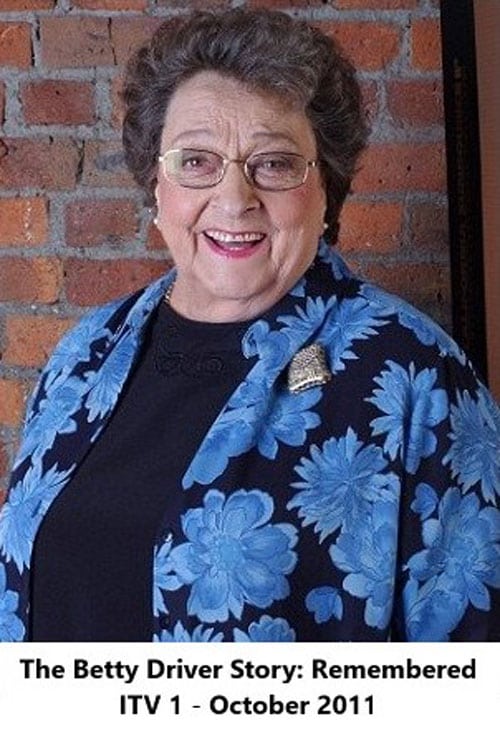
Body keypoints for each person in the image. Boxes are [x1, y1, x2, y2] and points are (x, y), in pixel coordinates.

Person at [0, 8, 499, 643]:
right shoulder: (85, 357)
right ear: (157, 184)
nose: (235, 199)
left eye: (275, 163)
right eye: (196, 161)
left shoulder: (413, 374)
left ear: (326, 189)